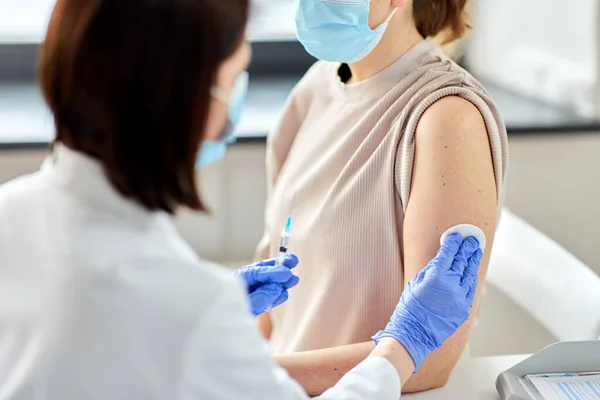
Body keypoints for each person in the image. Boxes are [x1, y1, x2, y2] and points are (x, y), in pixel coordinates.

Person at [0, 0, 486, 399]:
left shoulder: (11, 215)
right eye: (232, 79)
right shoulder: (190, 311)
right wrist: (404, 345)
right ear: (183, 98)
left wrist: (227, 337)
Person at [254, 0, 510, 395]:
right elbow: (272, 306)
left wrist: (251, 377)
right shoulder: (315, 88)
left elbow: (431, 362)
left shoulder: (445, 119)